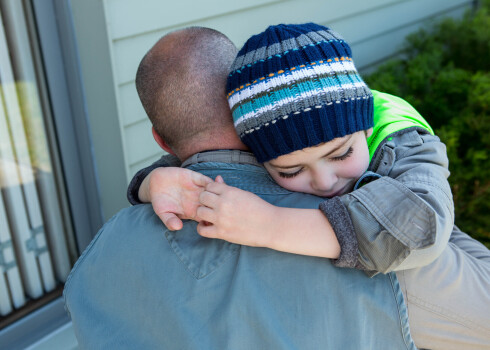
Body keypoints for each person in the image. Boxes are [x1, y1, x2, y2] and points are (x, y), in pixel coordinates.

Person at [129, 24, 490, 349]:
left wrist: (270, 224)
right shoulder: (280, 139)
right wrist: (151, 182)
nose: (324, 180)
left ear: (365, 128)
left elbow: (419, 225)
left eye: (341, 154)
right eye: (290, 171)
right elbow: (204, 155)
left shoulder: (401, 138)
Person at [63, 27, 416, 349]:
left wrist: (147, 183)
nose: (324, 181)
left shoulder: (94, 263)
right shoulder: (365, 233)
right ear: (250, 119)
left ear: (161, 140)